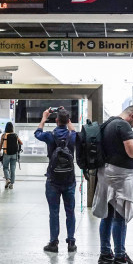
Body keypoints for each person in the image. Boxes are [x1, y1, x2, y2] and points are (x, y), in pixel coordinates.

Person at [92, 105, 133, 264]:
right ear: (132, 115)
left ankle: (105, 254)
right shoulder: (123, 125)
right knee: (120, 215)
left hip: (106, 174)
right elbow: (131, 152)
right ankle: (119, 256)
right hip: (120, 177)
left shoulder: (107, 124)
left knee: (108, 215)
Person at [34, 107, 78, 253]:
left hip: (53, 180)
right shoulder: (72, 136)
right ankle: (71, 242)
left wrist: (44, 118)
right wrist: (68, 121)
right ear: (68, 121)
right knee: (70, 211)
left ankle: (53, 243)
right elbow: (78, 135)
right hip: (69, 180)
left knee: (54, 212)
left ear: (56, 120)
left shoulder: (50, 135)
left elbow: (37, 133)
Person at [0, 122, 22, 189]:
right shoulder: (15, 135)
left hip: (6, 154)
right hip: (14, 154)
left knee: (5, 167)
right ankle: (12, 184)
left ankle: (8, 179)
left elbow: (0, 146)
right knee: (13, 169)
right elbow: (21, 143)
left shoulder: (4, 135)